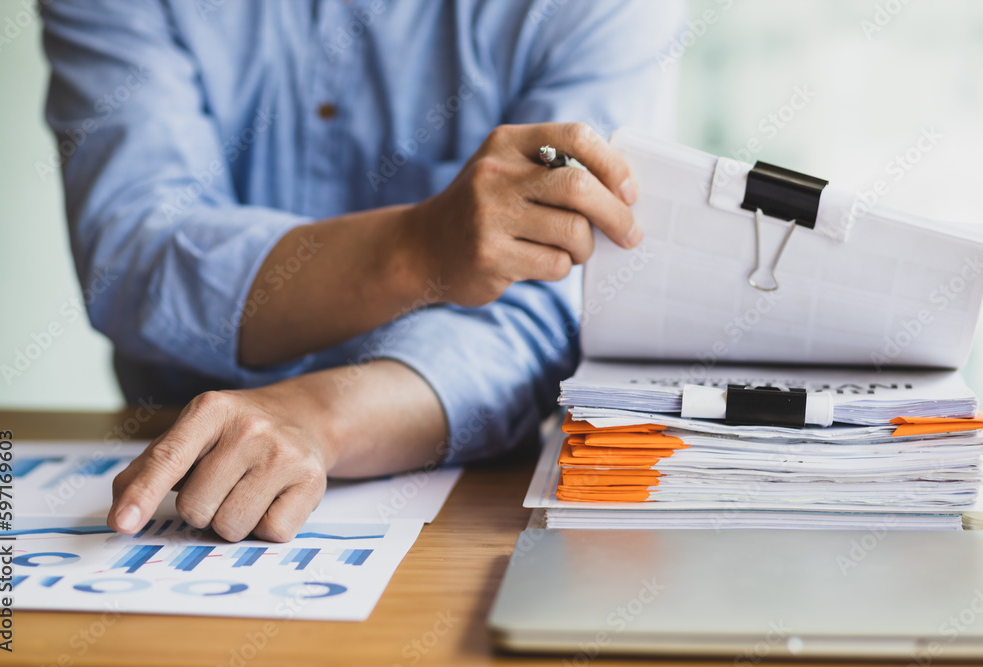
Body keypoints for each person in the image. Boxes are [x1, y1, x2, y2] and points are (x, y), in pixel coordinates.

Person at [40, 0, 682, 542]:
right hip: (166, 470)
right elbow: (130, 255)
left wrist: (318, 416)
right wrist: (421, 245)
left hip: (455, 495)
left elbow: (545, 303)